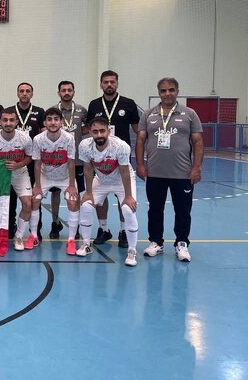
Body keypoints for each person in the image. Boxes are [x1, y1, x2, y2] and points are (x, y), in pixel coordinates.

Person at [136, 77, 203, 262]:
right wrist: (140, 165)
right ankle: (156, 242)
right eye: (163, 90)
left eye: (171, 90)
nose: (167, 94)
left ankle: (182, 242)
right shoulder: (148, 114)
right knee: (155, 209)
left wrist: (196, 167)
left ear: (177, 91)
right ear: (159, 93)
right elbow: (140, 140)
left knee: (183, 210)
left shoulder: (189, 114)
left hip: (182, 174)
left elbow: (198, 142)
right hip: (155, 173)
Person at [86, 70, 139, 248]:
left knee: (121, 195)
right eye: (106, 82)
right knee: (101, 195)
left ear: (117, 83)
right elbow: (89, 129)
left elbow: (138, 130)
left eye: (112, 82)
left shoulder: (129, 104)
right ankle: (103, 229)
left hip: (121, 157)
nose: (109, 85)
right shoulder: (94, 104)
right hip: (101, 158)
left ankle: (124, 230)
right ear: (101, 84)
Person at [77, 117, 139, 266]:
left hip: (122, 180)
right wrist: (88, 192)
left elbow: (124, 170)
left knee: (128, 209)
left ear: (108, 131)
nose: (99, 135)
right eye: (95, 131)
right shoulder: (85, 145)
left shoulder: (120, 146)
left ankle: (132, 250)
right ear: (90, 132)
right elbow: (87, 168)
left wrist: (128, 196)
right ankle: (86, 244)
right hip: (102, 179)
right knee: (86, 205)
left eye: (102, 131)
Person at [0, 109, 33, 251]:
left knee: (27, 204)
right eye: (5, 120)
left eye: (11, 120)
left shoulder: (25, 138)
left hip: (20, 173)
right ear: (0, 122)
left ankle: (19, 236)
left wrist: (18, 165)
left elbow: (29, 157)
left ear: (16, 122)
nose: (8, 123)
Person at [30, 108, 79, 252]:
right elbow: (37, 163)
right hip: (45, 176)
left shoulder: (68, 138)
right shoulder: (38, 139)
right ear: (45, 123)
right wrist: (38, 186)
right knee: (35, 199)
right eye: (49, 119)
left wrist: (71, 185)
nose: (53, 122)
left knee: (72, 200)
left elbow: (71, 162)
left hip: (64, 177)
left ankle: (71, 240)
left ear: (61, 122)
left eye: (56, 119)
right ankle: (33, 236)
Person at [5, 82, 45, 240]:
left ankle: (36, 230)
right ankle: (10, 227)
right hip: (13, 159)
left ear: (32, 94)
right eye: (21, 91)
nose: (24, 93)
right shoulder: (9, 111)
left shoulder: (39, 112)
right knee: (11, 198)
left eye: (28, 91)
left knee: (34, 197)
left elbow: (43, 135)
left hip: (32, 160)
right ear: (17, 93)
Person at [48, 81, 87, 239]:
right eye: (63, 90)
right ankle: (55, 222)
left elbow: (87, 128)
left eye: (69, 90)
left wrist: (78, 134)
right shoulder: (53, 110)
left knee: (75, 193)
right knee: (55, 192)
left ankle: (75, 224)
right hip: (57, 160)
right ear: (59, 93)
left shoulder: (82, 110)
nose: (66, 93)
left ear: (73, 92)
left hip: (77, 160)